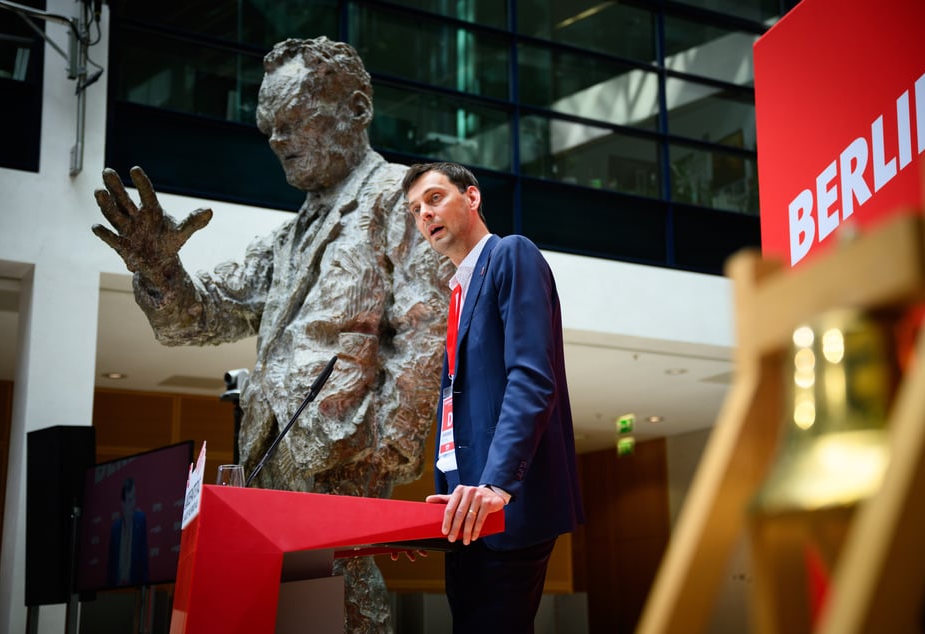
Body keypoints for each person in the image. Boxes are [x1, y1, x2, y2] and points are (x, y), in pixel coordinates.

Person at [92, 37, 450, 632]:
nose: (278, 141)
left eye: (295, 121)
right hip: (265, 472)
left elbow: (424, 332)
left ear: (357, 109)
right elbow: (204, 315)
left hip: (339, 466)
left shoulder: (401, 198)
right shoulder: (289, 237)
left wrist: (381, 459)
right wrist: (159, 269)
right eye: (269, 127)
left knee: (344, 611)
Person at [402, 162, 585, 632]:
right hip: (464, 514)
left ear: (472, 198)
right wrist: (442, 511)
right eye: (415, 209)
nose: (424, 214)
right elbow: (456, 417)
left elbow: (531, 378)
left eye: (435, 198)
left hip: (503, 504)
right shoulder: (459, 291)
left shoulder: (511, 255)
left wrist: (497, 485)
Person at [107, 478, 149, 587]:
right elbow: (110, 566)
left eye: (134, 498)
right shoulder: (115, 528)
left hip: (135, 587)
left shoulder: (141, 520)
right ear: (123, 503)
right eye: (130, 500)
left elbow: (144, 561)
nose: (133, 504)